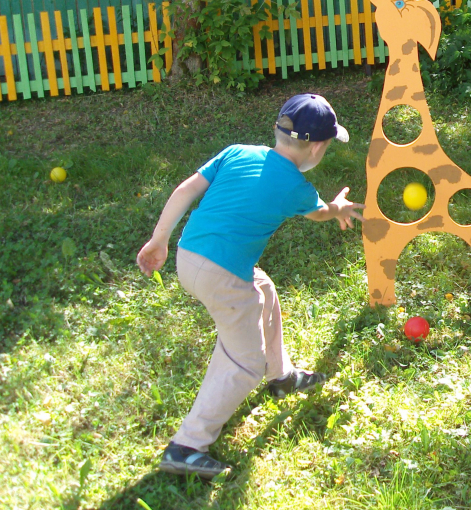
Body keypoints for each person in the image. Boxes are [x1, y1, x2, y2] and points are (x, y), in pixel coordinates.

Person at [136, 93, 365, 479]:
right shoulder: (295, 186)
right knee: (244, 361)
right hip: (220, 276)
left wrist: (159, 240)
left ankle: (281, 376)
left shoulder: (237, 151)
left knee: (263, 288)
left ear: (278, 129)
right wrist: (338, 208)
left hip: (188, 256)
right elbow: (321, 213)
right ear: (319, 147)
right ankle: (187, 445)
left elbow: (186, 189)